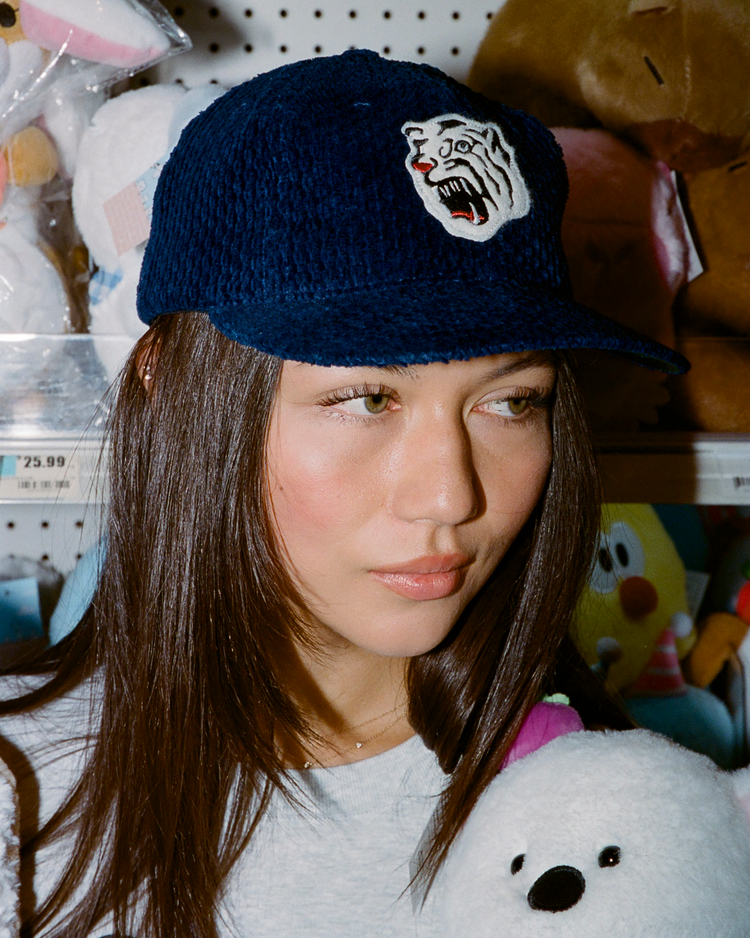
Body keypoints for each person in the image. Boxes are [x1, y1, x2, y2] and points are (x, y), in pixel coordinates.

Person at [0, 50, 687, 938]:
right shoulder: (23, 799)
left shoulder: (620, 822)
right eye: (366, 398)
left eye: (512, 402)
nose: (449, 496)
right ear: (165, 389)